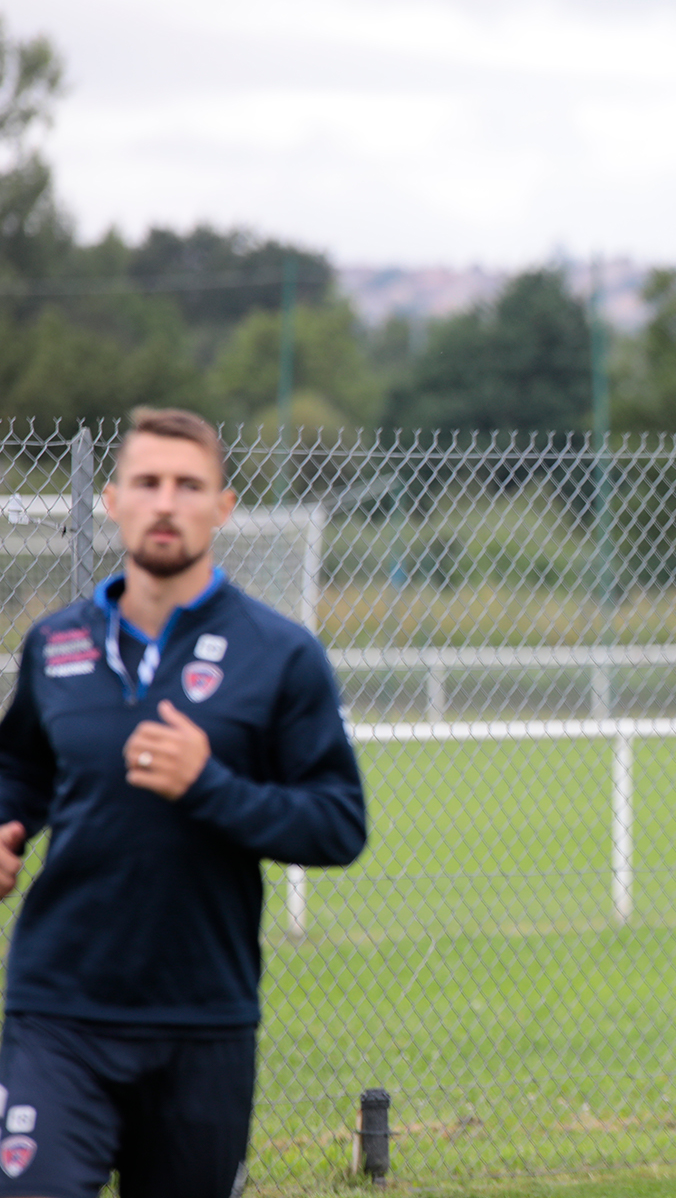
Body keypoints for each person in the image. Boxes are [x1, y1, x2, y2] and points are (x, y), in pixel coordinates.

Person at [0, 408, 367, 1198]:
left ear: (223, 506)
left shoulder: (281, 655)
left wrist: (212, 786)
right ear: (113, 499)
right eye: (148, 482)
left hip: (204, 1017)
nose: (166, 501)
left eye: (188, 485)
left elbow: (339, 824)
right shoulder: (55, 644)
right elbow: (19, 768)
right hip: (58, 1010)